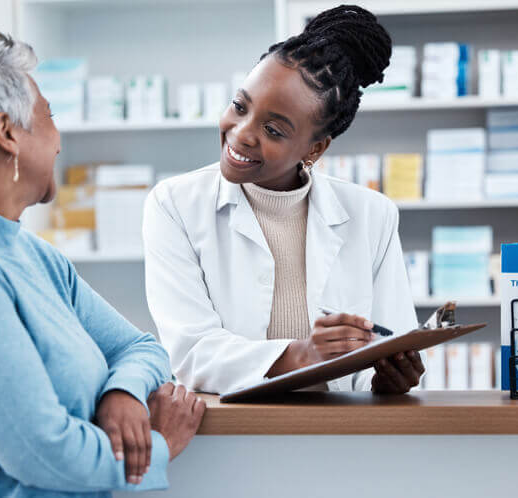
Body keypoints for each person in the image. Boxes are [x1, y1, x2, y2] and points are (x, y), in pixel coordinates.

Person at [0, 32, 204, 497]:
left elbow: (142, 348)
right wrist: (159, 446)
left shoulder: (31, 254)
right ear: (7, 132)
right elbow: (46, 453)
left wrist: (122, 393)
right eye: (50, 117)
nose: (58, 141)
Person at [143, 5, 425, 395]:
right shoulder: (174, 205)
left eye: (273, 130)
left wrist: (388, 378)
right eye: (240, 106)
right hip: (230, 438)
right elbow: (192, 353)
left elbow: (388, 342)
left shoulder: (372, 214)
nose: (241, 133)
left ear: (315, 148)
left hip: (342, 440)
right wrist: (302, 354)